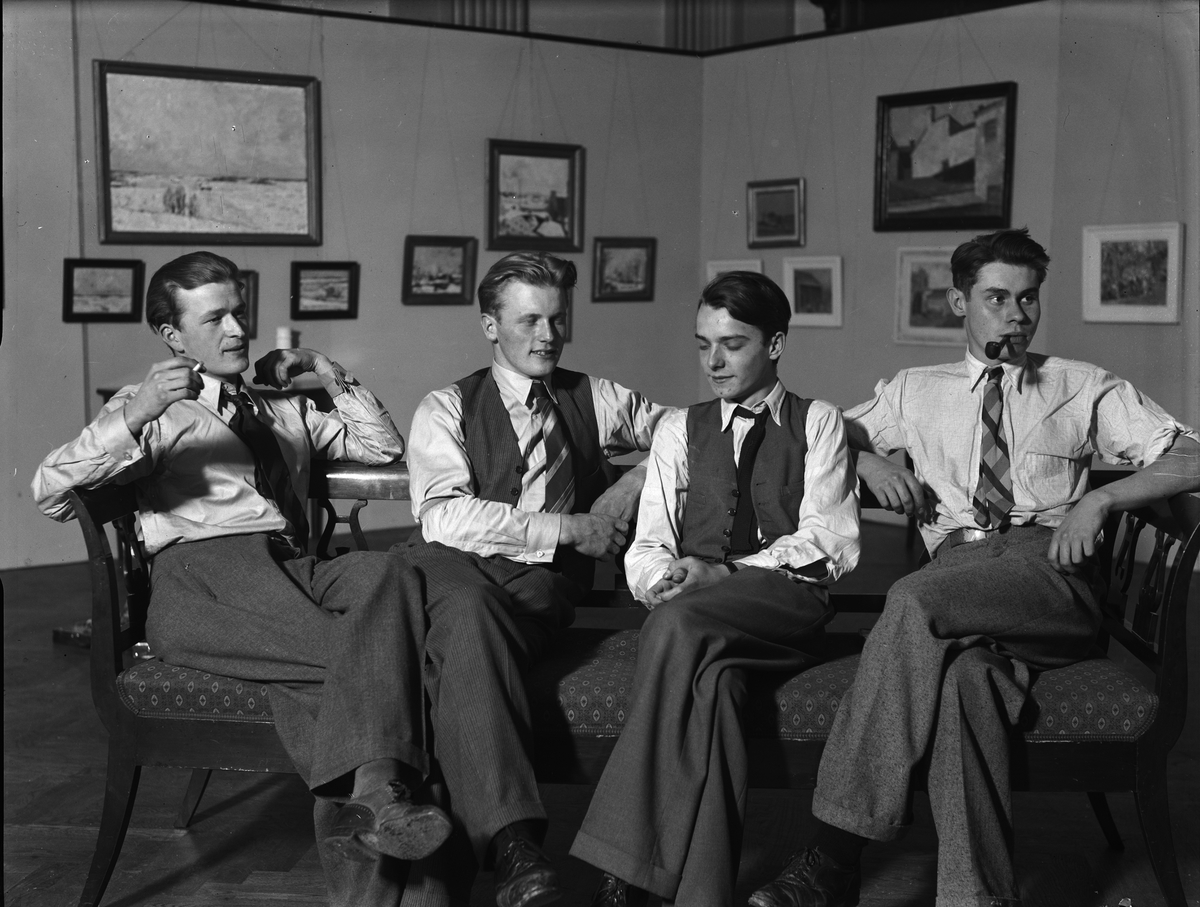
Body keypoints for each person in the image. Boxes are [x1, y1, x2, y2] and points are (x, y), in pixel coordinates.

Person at [749, 228, 1200, 907]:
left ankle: (834, 856)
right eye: (997, 299)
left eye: (1028, 299)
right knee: (967, 681)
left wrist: (1100, 500)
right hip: (960, 573)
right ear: (960, 302)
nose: (1016, 316)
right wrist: (867, 458)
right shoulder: (914, 390)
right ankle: (977, 896)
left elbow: (1191, 454)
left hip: (1047, 573)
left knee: (911, 602)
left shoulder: (1081, 385)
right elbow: (812, 436)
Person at [33, 251, 447, 907]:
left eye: (239, 312)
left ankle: (375, 796)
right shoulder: (152, 410)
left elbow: (383, 448)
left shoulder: (280, 407)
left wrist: (328, 372)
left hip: (292, 568)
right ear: (172, 336)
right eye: (214, 318)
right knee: (402, 666)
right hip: (205, 583)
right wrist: (134, 414)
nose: (236, 330)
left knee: (387, 571)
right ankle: (403, 864)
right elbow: (51, 492)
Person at [570, 271, 861, 907]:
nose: (714, 362)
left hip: (785, 603)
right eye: (704, 345)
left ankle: (622, 870)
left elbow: (830, 543)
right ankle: (702, 894)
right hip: (699, 617)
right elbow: (650, 540)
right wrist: (661, 581)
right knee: (715, 690)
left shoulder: (819, 422)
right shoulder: (679, 428)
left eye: (732, 344)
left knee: (674, 625)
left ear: (775, 344)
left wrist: (723, 574)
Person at [397, 251, 672, 907]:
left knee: (459, 635)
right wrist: (569, 528)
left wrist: (635, 478)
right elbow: (443, 517)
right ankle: (515, 850)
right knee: (465, 608)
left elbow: (691, 431)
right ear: (490, 326)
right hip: (450, 568)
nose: (548, 336)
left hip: (535, 588)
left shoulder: (597, 397)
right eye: (529, 321)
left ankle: (499, 852)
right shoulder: (445, 406)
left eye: (556, 319)